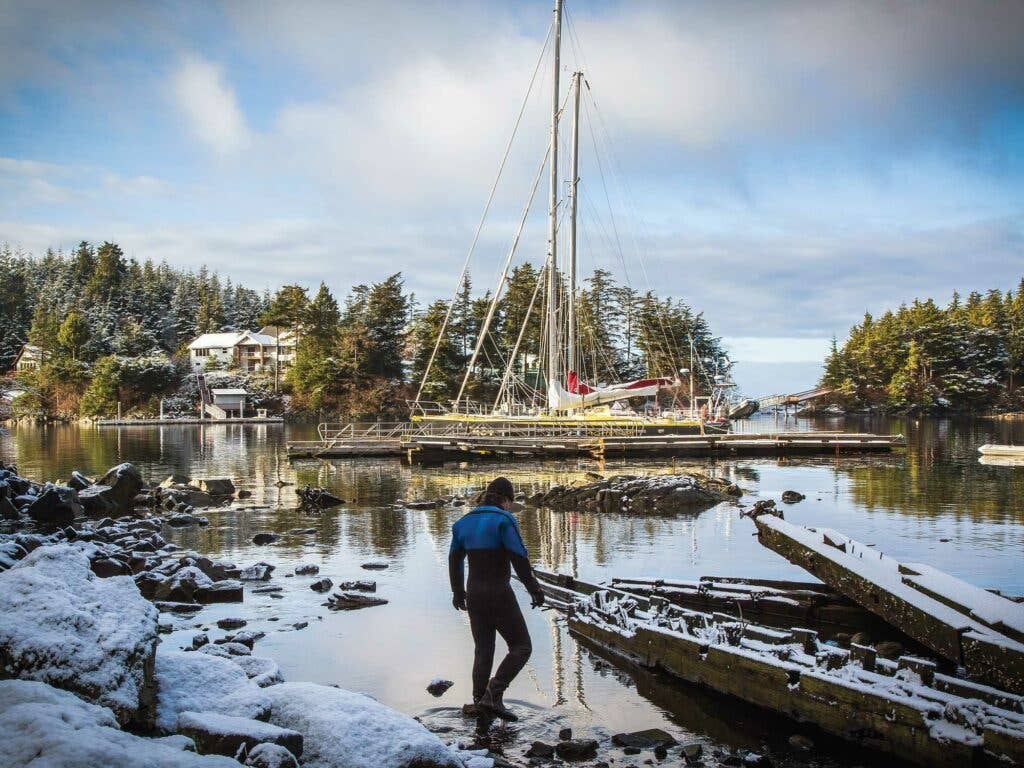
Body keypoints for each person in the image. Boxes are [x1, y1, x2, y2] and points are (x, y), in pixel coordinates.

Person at [449, 476, 545, 721]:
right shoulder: (504, 519)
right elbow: (519, 557)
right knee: (522, 646)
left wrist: (458, 592)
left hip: (475, 595)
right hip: (499, 593)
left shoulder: (462, 523)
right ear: (506, 500)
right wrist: (534, 589)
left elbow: (454, 560)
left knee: (483, 650)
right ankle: (494, 692)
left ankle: (479, 702)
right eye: (510, 503)